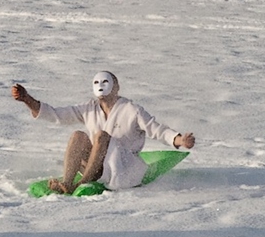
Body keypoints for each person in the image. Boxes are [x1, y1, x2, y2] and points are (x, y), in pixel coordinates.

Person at [12, 71, 194, 193]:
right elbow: (57, 115)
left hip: (123, 170)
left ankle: (82, 184)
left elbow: (157, 130)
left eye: (106, 82)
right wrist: (27, 99)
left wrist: (179, 140)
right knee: (78, 135)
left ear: (116, 87)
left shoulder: (131, 109)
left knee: (101, 135)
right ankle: (68, 183)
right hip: (98, 167)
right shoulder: (89, 108)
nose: (101, 85)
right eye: (97, 82)